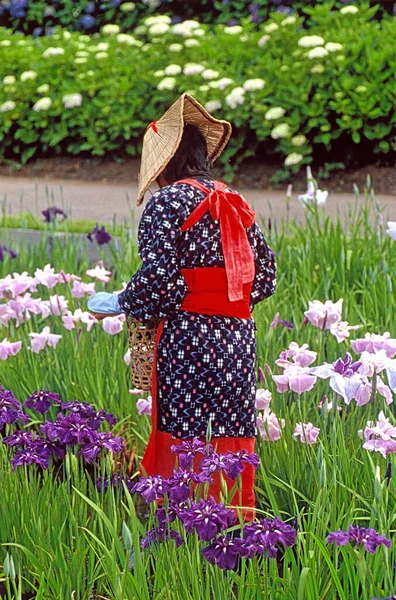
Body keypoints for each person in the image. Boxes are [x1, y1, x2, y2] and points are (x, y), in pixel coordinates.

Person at [88, 93, 276, 520]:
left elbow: (159, 283)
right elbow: (264, 278)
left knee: (184, 430)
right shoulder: (235, 200)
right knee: (231, 431)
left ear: (164, 164)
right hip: (235, 340)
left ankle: (181, 528)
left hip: (186, 338)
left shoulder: (166, 203)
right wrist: (222, 304)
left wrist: (119, 301)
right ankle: (233, 525)